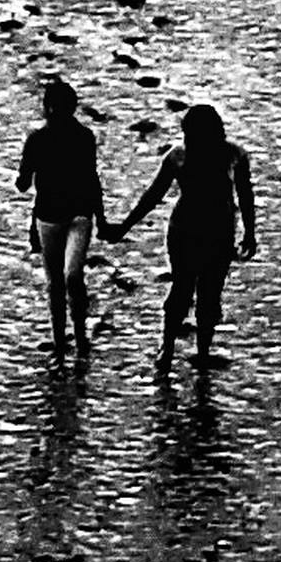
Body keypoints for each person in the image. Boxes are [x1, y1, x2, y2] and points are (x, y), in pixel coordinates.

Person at [115, 101, 257, 378]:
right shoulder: (214, 156)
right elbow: (154, 195)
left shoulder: (220, 156)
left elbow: (246, 196)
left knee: (204, 293)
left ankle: (187, 350)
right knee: (189, 290)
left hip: (209, 230)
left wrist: (250, 232)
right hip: (194, 231)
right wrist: (125, 225)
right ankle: (174, 348)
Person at [11, 77, 109, 347]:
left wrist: (99, 218)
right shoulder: (78, 137)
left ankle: (76, 336)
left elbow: (23, 184)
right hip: (51, 216)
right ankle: (62, 342)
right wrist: (101, 218)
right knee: (60, 281)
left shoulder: (41, 140)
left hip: (71, 215)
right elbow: (91, 179)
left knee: (68, 276)